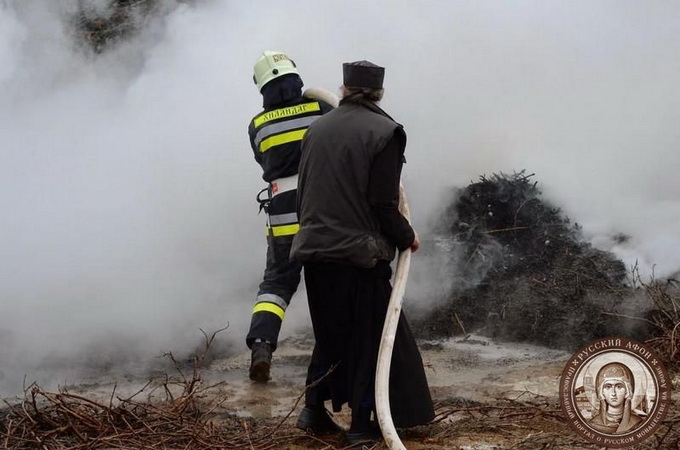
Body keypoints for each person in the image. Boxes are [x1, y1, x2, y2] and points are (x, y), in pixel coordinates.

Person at [290, 60, 435, 446]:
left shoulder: (317, 129)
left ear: (344, 88)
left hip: (313, 250)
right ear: (379, 93)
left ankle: (312, 411)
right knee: (368, 338)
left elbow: (304, 192)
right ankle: (360, 428)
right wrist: (407, 236)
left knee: (329, 331)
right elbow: (383, 202)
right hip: (358, 256)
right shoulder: (386, 132)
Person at [246, 50, 334, 383]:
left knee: (277, 283)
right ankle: (333, 355)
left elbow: (264, 163)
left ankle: (261, 345)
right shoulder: (321, 109)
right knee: (329, 278)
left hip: (283, 212)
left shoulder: (257, 125)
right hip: (321, 206)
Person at [588, 362, 644, 434]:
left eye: (619, 387)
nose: (613, 393)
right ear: (601, 392)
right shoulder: (594, 424)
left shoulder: (637, 423)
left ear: (627, 392)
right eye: (608, 387)